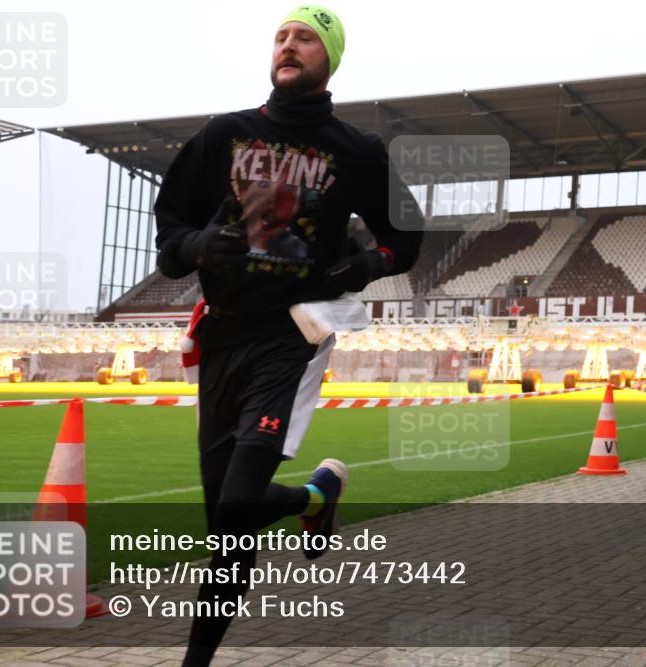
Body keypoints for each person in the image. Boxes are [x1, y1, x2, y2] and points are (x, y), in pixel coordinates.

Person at [154, 6, 423, 665]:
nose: (288, 45)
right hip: (222, 336)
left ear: (329, 57)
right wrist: (199, 244)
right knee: (228, 517)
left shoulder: (358, 150)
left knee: (239, 508)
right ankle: (313, 495)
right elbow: (168, 237)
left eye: (305, 37)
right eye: (281, 36)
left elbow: (405, 240)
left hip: (294, 335)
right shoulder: (225, 135)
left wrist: (364, 264)